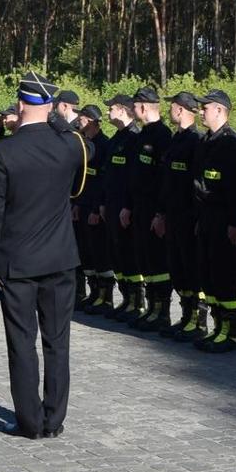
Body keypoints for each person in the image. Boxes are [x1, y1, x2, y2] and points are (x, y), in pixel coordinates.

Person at [0, 72, 89, 440]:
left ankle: (29, 421)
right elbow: (87, 159)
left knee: (22, 343)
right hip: (60, 259)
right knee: (57, 342)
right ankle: (53, 420)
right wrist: (63, 125)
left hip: (17, 262)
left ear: (21, 104)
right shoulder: (70, 146)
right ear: (51, 107)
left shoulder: (4, 151)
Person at [194, 90, 236, 352]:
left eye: (205, 108)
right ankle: (218, 328)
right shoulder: (207, 141)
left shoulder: (232, 143)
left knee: (226, 276)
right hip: (207, 218)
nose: (200, 112)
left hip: (225, 221)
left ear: (219, 110)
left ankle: (231, 334)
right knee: (209, 275)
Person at [159, 91, 207, 340]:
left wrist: (197, 217)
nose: (169, 111)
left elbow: (197, 184)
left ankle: (198, 322)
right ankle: (186, 316)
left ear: (180, 109)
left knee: (192, 268)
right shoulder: (175, 139)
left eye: (172, 107)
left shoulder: (195, 141)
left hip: (189, 216)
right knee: (178, 268)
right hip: (173, 214)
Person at [126, 87, 175, 331]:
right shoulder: (143, 134)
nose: (132, 110)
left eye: (134, 106)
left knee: (158, 261)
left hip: (154, 208)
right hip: (140, 206)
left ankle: (162, 311)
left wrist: (160, 213)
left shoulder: (162, 135)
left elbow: (163, 179)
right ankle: (152, 307)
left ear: (144, 106)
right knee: (145, 258)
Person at [98, 94, 139, 321]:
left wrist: (127, 206)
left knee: (128, 253)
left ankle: (136, 302)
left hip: (125, 208)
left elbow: (133, 179)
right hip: (112, 206)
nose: (107, 112)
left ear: (122, 110)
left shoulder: (134, 138)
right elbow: (108, 175)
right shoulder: (117, 138)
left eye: (111, 108)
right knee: (117, 255)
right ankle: (126, 299)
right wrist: (104, 203)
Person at [70, 105, 110, 312]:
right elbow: (79, 179)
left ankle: (106, 297)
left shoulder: (103, 145)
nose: (79, 121)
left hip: (95, 207)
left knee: (99, 251)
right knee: (86, 251)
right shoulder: (83, 143)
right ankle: (94, 292)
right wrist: (76, 204)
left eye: (82, 118)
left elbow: (103, 182)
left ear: (91, 121)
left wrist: (96, 209)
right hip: (82, 205)